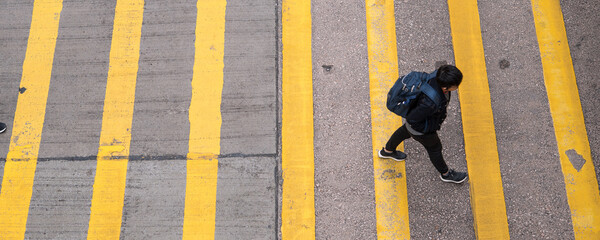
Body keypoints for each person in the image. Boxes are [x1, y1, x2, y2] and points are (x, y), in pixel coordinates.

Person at [378, 65, 468, 184]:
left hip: (413, 125)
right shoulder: (430, 103)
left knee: (405, 131)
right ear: (446, 86)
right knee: (435, 148)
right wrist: (428, 130)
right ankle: (446, 174)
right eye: (456, 85)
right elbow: (413, 119)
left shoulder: (435, 77)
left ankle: (387, 151)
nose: (457, 86)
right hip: (421, 129)